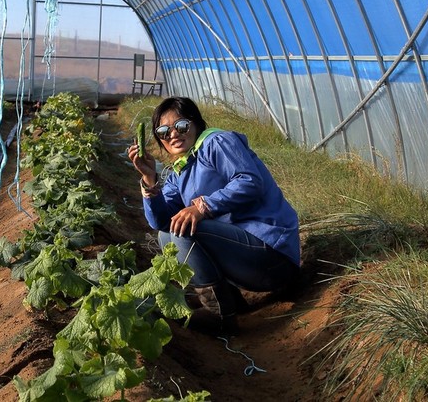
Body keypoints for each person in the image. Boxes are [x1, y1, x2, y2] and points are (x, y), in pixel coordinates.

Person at [127, 96, 300, 334]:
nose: (173, 135)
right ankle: (228, 300)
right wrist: (149, 180)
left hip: (272, 256)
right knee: (167, 233)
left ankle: (220, 316)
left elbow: (250, 181)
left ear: (196, 123)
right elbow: (160, 221)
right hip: (247, 262)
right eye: (164, 131)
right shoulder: (181, 170)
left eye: (181, 126)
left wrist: (202, 207)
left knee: (186, 228)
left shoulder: (217, 142)